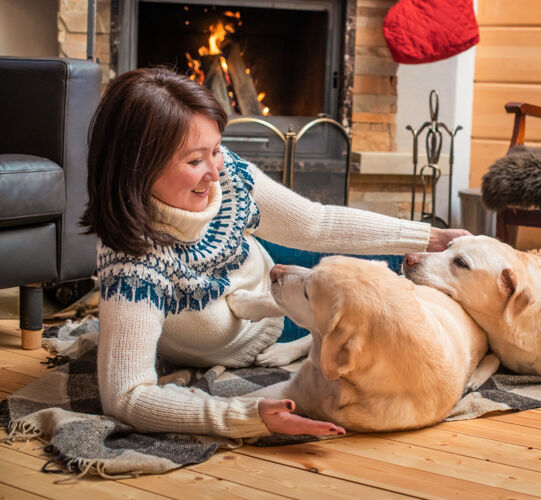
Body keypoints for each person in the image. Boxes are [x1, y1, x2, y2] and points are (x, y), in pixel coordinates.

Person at [81, 67, 469, 440]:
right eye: (195, 160)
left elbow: (315, 224)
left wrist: (428, 238)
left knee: (437, 269)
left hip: (269, 265)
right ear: (137, 168)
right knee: (390, 302)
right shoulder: (133, 268)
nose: (216, 171)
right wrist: (246, 415)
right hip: (278, 321)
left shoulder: (225, 173)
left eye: (216, 149)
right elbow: (126, 397)